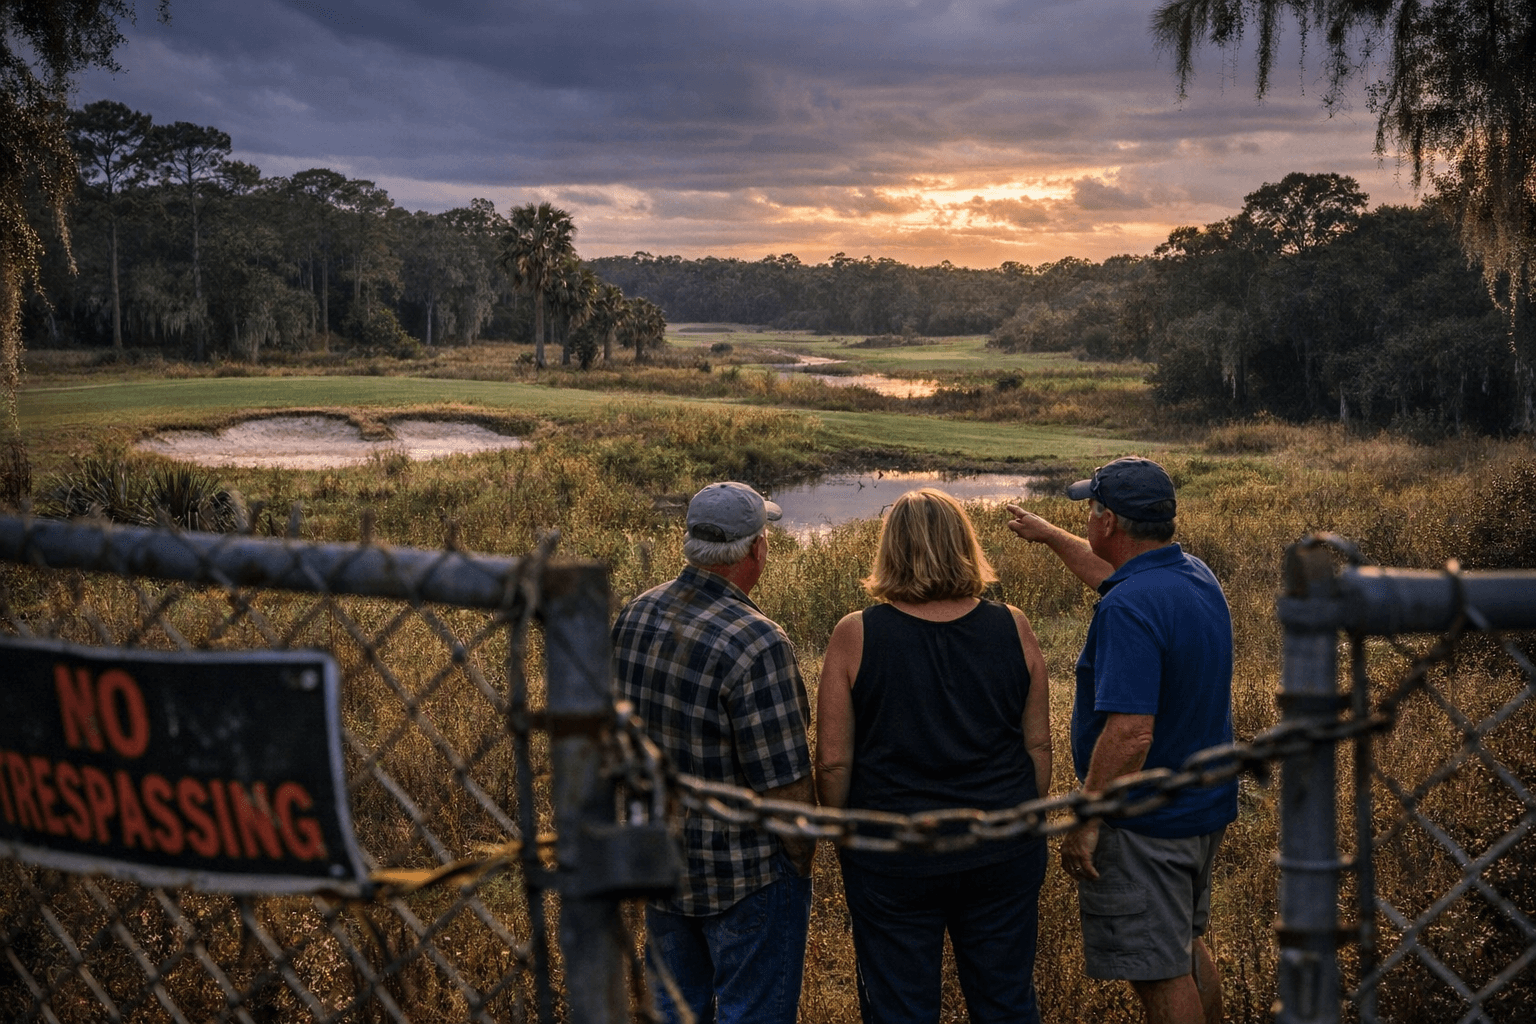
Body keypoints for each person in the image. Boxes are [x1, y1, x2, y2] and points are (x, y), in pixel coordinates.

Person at [1006, 456, 1237, 1024]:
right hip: (1200, 809)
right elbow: (1109, 573)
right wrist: (1050, 535)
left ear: (1107, 521)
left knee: (1157, 974)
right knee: (1182, 946)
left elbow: (1131, 732)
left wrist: (1089, 821)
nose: (1086, 519)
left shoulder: (1128, 607)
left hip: (1144, 826)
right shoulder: (1192, 575)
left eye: (1090, 510)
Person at [817, 487, 1052, 1024]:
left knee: (900, 1006)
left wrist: (843, 839)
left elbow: (832, 762)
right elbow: (1037, 744)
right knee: (1007, 1000)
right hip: (1001, 846)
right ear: (964, 546)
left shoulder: (855, 634)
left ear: (890, 550)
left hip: (892, 854)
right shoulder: (1013, 625)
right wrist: (1018, 820)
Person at [612, 480, 814, 1024]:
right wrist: (799, 864)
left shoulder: (636, 614)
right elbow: (787, 786)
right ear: (755, 550)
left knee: (675, 1011)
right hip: (743, 877)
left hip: (659, 861)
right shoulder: (758, 642)